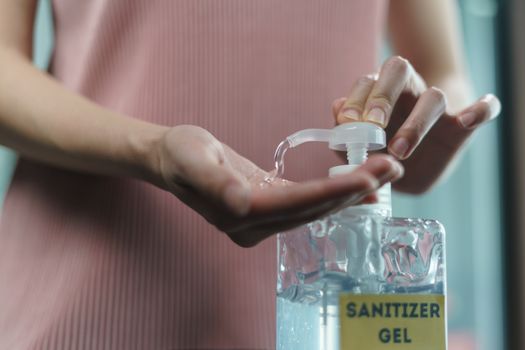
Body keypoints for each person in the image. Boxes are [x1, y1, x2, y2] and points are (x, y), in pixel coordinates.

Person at [0, 0, 500, 349]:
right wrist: (151, 151)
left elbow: (444, 71)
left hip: (326, 305)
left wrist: (423, 124)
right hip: (82, 297)